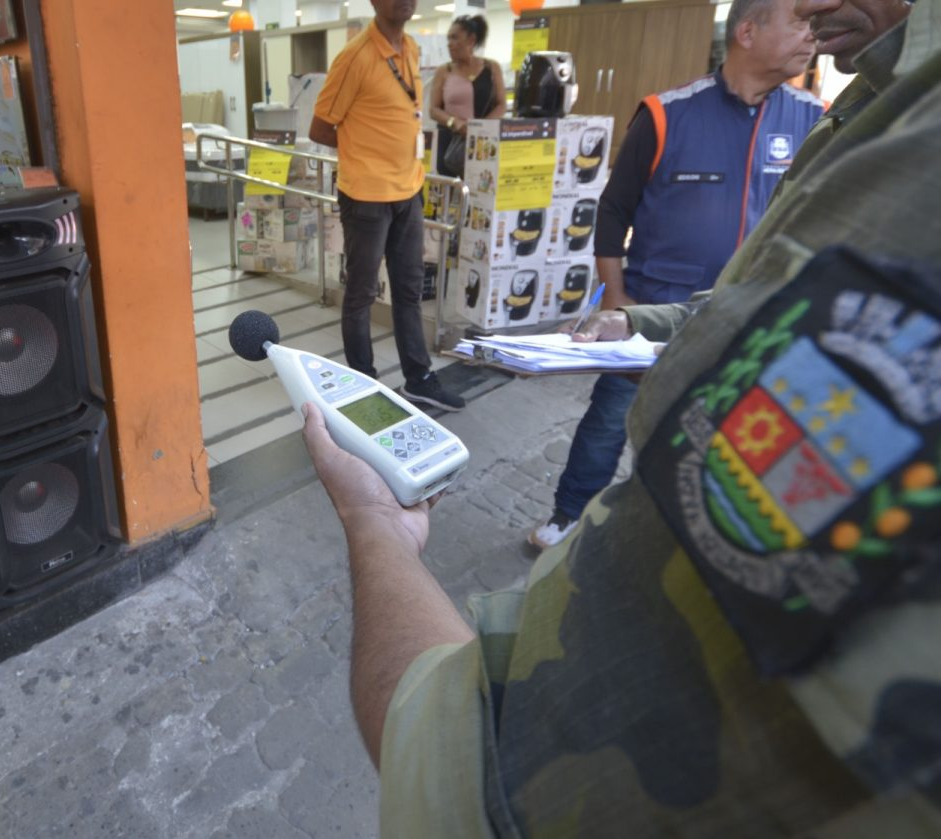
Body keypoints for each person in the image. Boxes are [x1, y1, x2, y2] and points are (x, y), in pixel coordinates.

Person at [302, 0, 941, 832]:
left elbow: (465, 778)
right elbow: (744, 288)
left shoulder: (868, 122)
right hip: (401, 204)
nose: (812, 18)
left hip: (411, 193)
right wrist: (632, 312)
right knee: (564, 398)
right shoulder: (768, 110)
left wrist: (373, 522)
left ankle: (420, 376)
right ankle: (558, 502)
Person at [529, 0, 823, 550]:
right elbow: (613, 209)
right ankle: (568, 513)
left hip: (746, 318)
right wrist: (617, 299)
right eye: (800, 21)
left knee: (719, 435)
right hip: (650, 313)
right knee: (609, 423)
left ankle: (681, 536)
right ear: (748, 31)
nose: (813, 34)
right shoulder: (668, 114)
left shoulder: (814, 120)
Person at [309, 0, 466, 412]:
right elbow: (320, 126)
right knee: (361, 293)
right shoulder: (356, 56)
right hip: (365, 195)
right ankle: (364, 385)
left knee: (409, 291)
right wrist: (368, 154)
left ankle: (419, 378)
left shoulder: (411, 48)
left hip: (408, 191)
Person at [429, 14, 507, 178]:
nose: (449, 44)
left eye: (455, 38)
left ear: (471, 40)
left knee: (480, 191)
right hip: (450, 144)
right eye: (448, 39)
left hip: (482, 144)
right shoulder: (444, 71)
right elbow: (433, 109)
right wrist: (455, 122)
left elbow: (501, 105)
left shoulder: (492, 68)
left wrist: (480, 128)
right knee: (450, 194)